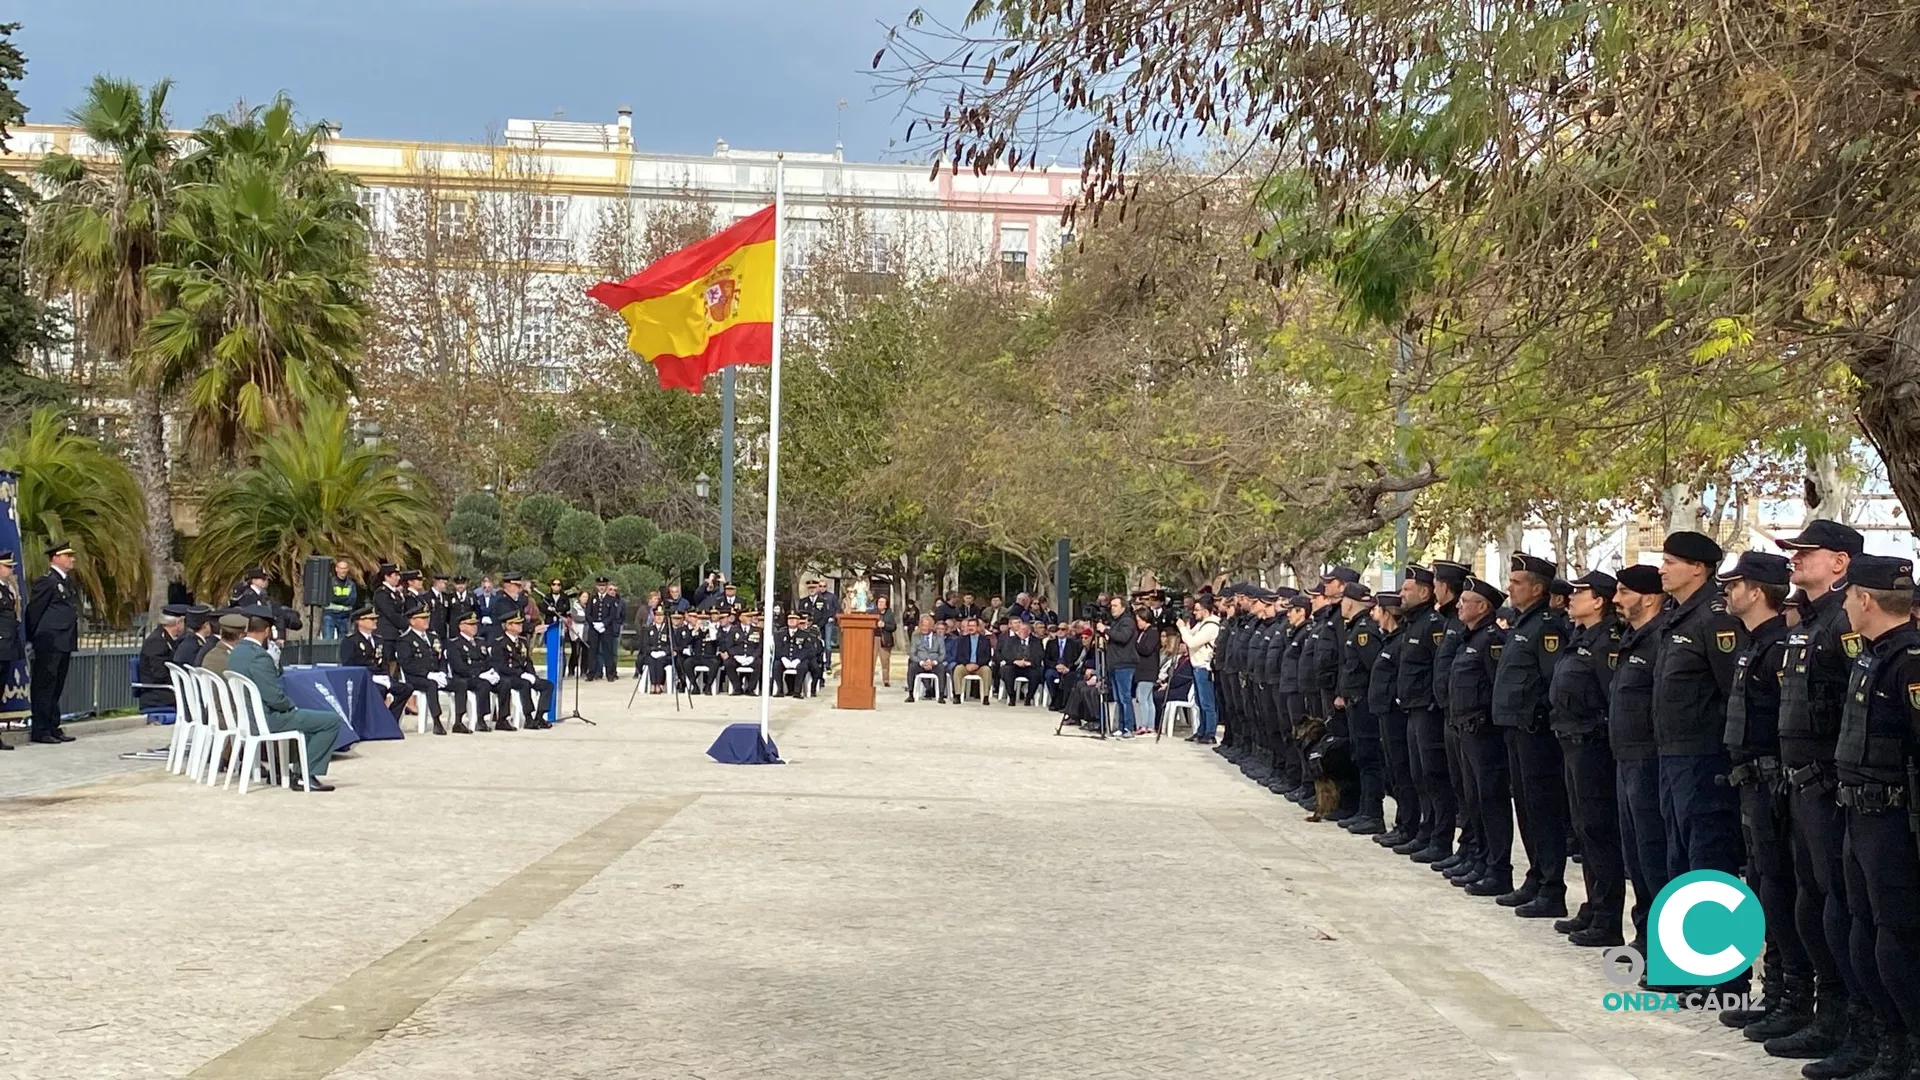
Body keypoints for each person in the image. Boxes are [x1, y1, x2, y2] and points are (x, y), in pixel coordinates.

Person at [1766, 519, 1870, 1067]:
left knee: (1840, 909)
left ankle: (1856, 1025)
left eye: (1807, 552)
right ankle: (1822, 1012)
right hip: (1799, 782)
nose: (1795, 559)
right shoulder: (1807, 620)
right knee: (1810, 902)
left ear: (1841, 562)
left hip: (1833, 787)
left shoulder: (1845, 621)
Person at [1832, 553, 1920, 1079]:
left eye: (1848, 595)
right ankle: (1884, 1043)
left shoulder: (1909, 661)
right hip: (1859, 813)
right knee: (1862, 930)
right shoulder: (1875, 654)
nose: (1844, 603)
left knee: (1897, 935)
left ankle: (1909, 1048)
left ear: (1865, 599)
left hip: (1892, 819)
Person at [1718, 550, 1811, 1038]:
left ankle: (1794, 996)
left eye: (1734, 586)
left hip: (1774, 782)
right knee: (1765, 889)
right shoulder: (1755, 645)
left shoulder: (1778, 648)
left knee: (1780, 890)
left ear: (1757, 592)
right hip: (1752, 780)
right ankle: (1775, 993)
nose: (1728, 593)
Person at [1549, 571, 1628, 948]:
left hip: (1593, 746)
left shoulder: (1607, 642)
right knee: (1583, 829)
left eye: (1580, 592)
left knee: (1599, 829)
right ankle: (1594, 905)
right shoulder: (1581, 636)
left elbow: (1609, 695)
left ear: (1599, 601)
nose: (1571, 597)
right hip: (1571, 742)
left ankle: (1607, 915)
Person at [1492, 553, 1571, 918]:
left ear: (1537, 588)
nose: (1510, 587)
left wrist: (1536, 715)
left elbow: (1551, 679)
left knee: (1544, 810)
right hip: (1515, 728)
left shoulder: (1547, 626)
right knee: (1525, 807)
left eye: (1517, 582)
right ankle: (1537, 876)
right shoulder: (1524, 624)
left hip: (1535, 733)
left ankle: (1552, 886)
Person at [1608, 563, 1669, 960]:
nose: (1616, 600)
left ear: (1648, 597)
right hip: (1625, 759)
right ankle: (1645, 935)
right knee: (1636, 857)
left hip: (1650, 761)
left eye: (1624, 592)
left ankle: (1663, 943)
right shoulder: (1633, 638)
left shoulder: (1660, 639)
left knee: (1654, 855)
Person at [226, 611, 344, 791]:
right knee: (330, 721)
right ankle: (306, 774)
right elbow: (273, 696)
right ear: (266, 631)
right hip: (267, 719)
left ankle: (300, 770)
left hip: (248, 717)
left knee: (311, 719)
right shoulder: (259, 656)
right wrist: (291, 706)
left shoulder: (237, 652)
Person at [1451, 576, 1511, 897]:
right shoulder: (1470, 638)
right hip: (1466, 729)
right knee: (1474, 799)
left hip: (1484, 732)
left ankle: (1498, 867)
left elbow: (1495, 687)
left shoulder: (1492, 640)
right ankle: (1481, 859)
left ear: (1483, 607)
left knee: (1491, 800)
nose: (1459, 605)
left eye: (1465, 601)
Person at [1335, 581, 1384, 831]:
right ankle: (1364, 810)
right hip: (1354, 702)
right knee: (1359, 756)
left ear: (1350, 601)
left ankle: (1373, 813)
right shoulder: (1354, 628)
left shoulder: (1364, 631)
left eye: (1343, 600)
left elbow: (1374, 668)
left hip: (1364, 703)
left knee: (1369, 758)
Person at [1367, 592, 1412, 841]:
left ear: (1388, 613)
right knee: (1394, 770)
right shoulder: (1390, 640)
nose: (1375, 617)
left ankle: (1408, 825)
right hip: (1384, 711)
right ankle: (1402, 824)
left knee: (1402, 771)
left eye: (1378, 611)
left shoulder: (1400, 641)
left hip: (1396, 713)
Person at [26, 540, 80, 745]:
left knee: (57, 685)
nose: (72, 559)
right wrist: (35, 637)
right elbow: (35, 610)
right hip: (49, 641)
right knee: (44, 685)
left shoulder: (66, 582)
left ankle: (52, 725)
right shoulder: (47, 581)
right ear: (56, 558)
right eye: (68, 555)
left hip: (63, 641)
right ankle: (40, 729)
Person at [491, 613, 554, 728]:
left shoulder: (522, 641)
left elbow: (527, 661)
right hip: (509, 676)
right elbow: (500, 666)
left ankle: (540, 716)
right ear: (508, 626)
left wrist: (532, 675)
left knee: (547, 685)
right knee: (524, 684)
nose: (520, 625)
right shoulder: (500, 642)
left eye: (520, 623)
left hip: (523, 674)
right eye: (517, 623)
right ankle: (528, 718)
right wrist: (521, 674)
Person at [395, 607, 449, 735]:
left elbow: (441, 657)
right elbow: (407, 664)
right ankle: (437, 721)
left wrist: (442, 672)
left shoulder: (433, 637)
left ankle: (459, 720)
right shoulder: (405, 640)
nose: (427, 620)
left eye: (427, 617)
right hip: (415, 677)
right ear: (412, 621)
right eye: (423, 618)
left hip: (435, 675)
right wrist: (428, 674)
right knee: (431, 685)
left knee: (460, 684)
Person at [1178, 595, 1221, 744]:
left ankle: (1210, 732)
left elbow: (1192, 642)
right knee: (1199, 701)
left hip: (1205, 666)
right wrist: (1186, 627)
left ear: (1205, 610)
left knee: (1207, 702)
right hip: (1196, 666)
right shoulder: (1202, 624)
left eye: (1197, 610)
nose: (1194, 613)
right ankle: (1201, 729)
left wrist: (1182, 628)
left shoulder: (1211, 626)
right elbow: (1189, 635)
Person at [446, 611, 493, 732]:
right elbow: (458, 667)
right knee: (483, 684)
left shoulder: (480, 642)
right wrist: (478, 673)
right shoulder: (454, 644)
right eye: (470, 624)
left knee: (502, 683)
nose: (474, 627)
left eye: (475, 624)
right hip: (464, 677)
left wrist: (490, 672)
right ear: (461, 626)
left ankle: (501, 717)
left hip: (481, 676)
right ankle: (475, 719)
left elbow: (487, 661)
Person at [1099, 597, 1140, 735]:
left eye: (1115, 605)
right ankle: (1121, 726)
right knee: (1118, 698)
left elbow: (1123, 637)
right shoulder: (1116, 622)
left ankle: (1129, 726)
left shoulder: (1127, 621)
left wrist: (1106, 630)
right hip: (1115, 663)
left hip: (1125, 663)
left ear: (1123, 607)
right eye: (1111, 606)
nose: (1112, 608)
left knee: (1125, 697)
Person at [136, 610, 187, 712]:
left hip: (167, 689)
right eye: (183, 622)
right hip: (158, 693)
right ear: (178, 623)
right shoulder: (156, 641)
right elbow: (160, 673)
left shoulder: (170, 640)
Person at [996, 617, 1045, 705]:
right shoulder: (1010, 640)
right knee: (1006, 670)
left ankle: (1029, 697)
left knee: (1037, 673)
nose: (1020, 632)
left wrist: (1029, 662)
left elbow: (1040, 655)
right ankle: (1012, 696)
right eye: (1019, 630)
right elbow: (1005, 654)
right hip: (1014, 665)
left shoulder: (1036, 641)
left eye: (1023, 630)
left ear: (1029, 631)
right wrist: (1015, 661)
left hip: (1029, 666)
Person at [950, 616, 993, 704]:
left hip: (979, 666)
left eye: (973, 626)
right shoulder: (962, 640)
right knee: (957, 669)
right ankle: (957, 695)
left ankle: (985, 697)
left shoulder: (985, 640)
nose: (971, 628)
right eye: (969, 626)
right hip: (966, 666)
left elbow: (987, 657)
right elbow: (959, 656)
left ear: (978, 627)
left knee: (987, 670)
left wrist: (977, 664)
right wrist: (967, 664)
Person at [1043, 621, 1083, 712]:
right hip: (1054, 667)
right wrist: (1056, 666)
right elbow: (1046, 659)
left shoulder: (1073, 644)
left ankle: (1063, 702)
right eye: (1058, 629)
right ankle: (1054, 698)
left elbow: (1076, 659)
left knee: (1067, 678)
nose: (1060, 631)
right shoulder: (1051, 643)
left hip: (1067, 668)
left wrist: (1067, 668)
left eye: (1063, 629)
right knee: (1048, 675)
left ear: (1067, 631)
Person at [371, 563, 408, 659]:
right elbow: (390, 613)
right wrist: (405, 624)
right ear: (387, 576)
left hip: (396, 633)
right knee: (387, 661)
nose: (398, 578)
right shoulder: (381, 593)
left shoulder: (395, 593)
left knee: (394, 661)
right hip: (386, 634)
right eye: (395, 575)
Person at [907, 614, 946, 703]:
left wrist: (934, 662)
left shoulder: (939, 638)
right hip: (920, 663)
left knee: (941, 668)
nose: (923, 628)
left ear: (932, 627)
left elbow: (942, 654)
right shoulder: (915, 637)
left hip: (934, 663)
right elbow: (912, 654)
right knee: (912, 666)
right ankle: (910, 694)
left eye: (926, 626)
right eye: (922, 625)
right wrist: (922, 662)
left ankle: (941, 695)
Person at [321, 558, 359, 640]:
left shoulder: (351, 584)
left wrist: (338, 599)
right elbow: (331, 598)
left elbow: (352, 600)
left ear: (348, 569)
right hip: (330, 615)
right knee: (327, 640)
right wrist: (345, 599)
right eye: (341, 568)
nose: (343, 571)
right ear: (336, 569)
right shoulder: (330, 582)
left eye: (345, 568)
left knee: (344, 642)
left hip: (345, 616)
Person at [874, 595, 898, 688]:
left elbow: (893, 627)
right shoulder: (873, 613)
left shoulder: (889, 614)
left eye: (882, 602)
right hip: (874, 638)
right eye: (879, 602)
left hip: (885, 640)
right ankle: (869, 680)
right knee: (871, 661)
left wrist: (884, 625)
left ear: (886, 605)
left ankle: (886, 680)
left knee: (885, 661)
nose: (880, 604)